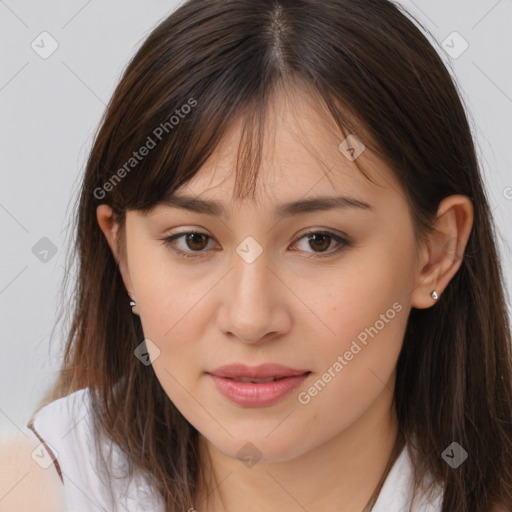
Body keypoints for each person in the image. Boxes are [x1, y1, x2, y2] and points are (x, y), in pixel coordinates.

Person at [3, 0, 511, 510]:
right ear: (123, 254)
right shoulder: (35, 491)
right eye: (193, 240)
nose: (250, 319)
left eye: (319, 241)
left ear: (436, 252)